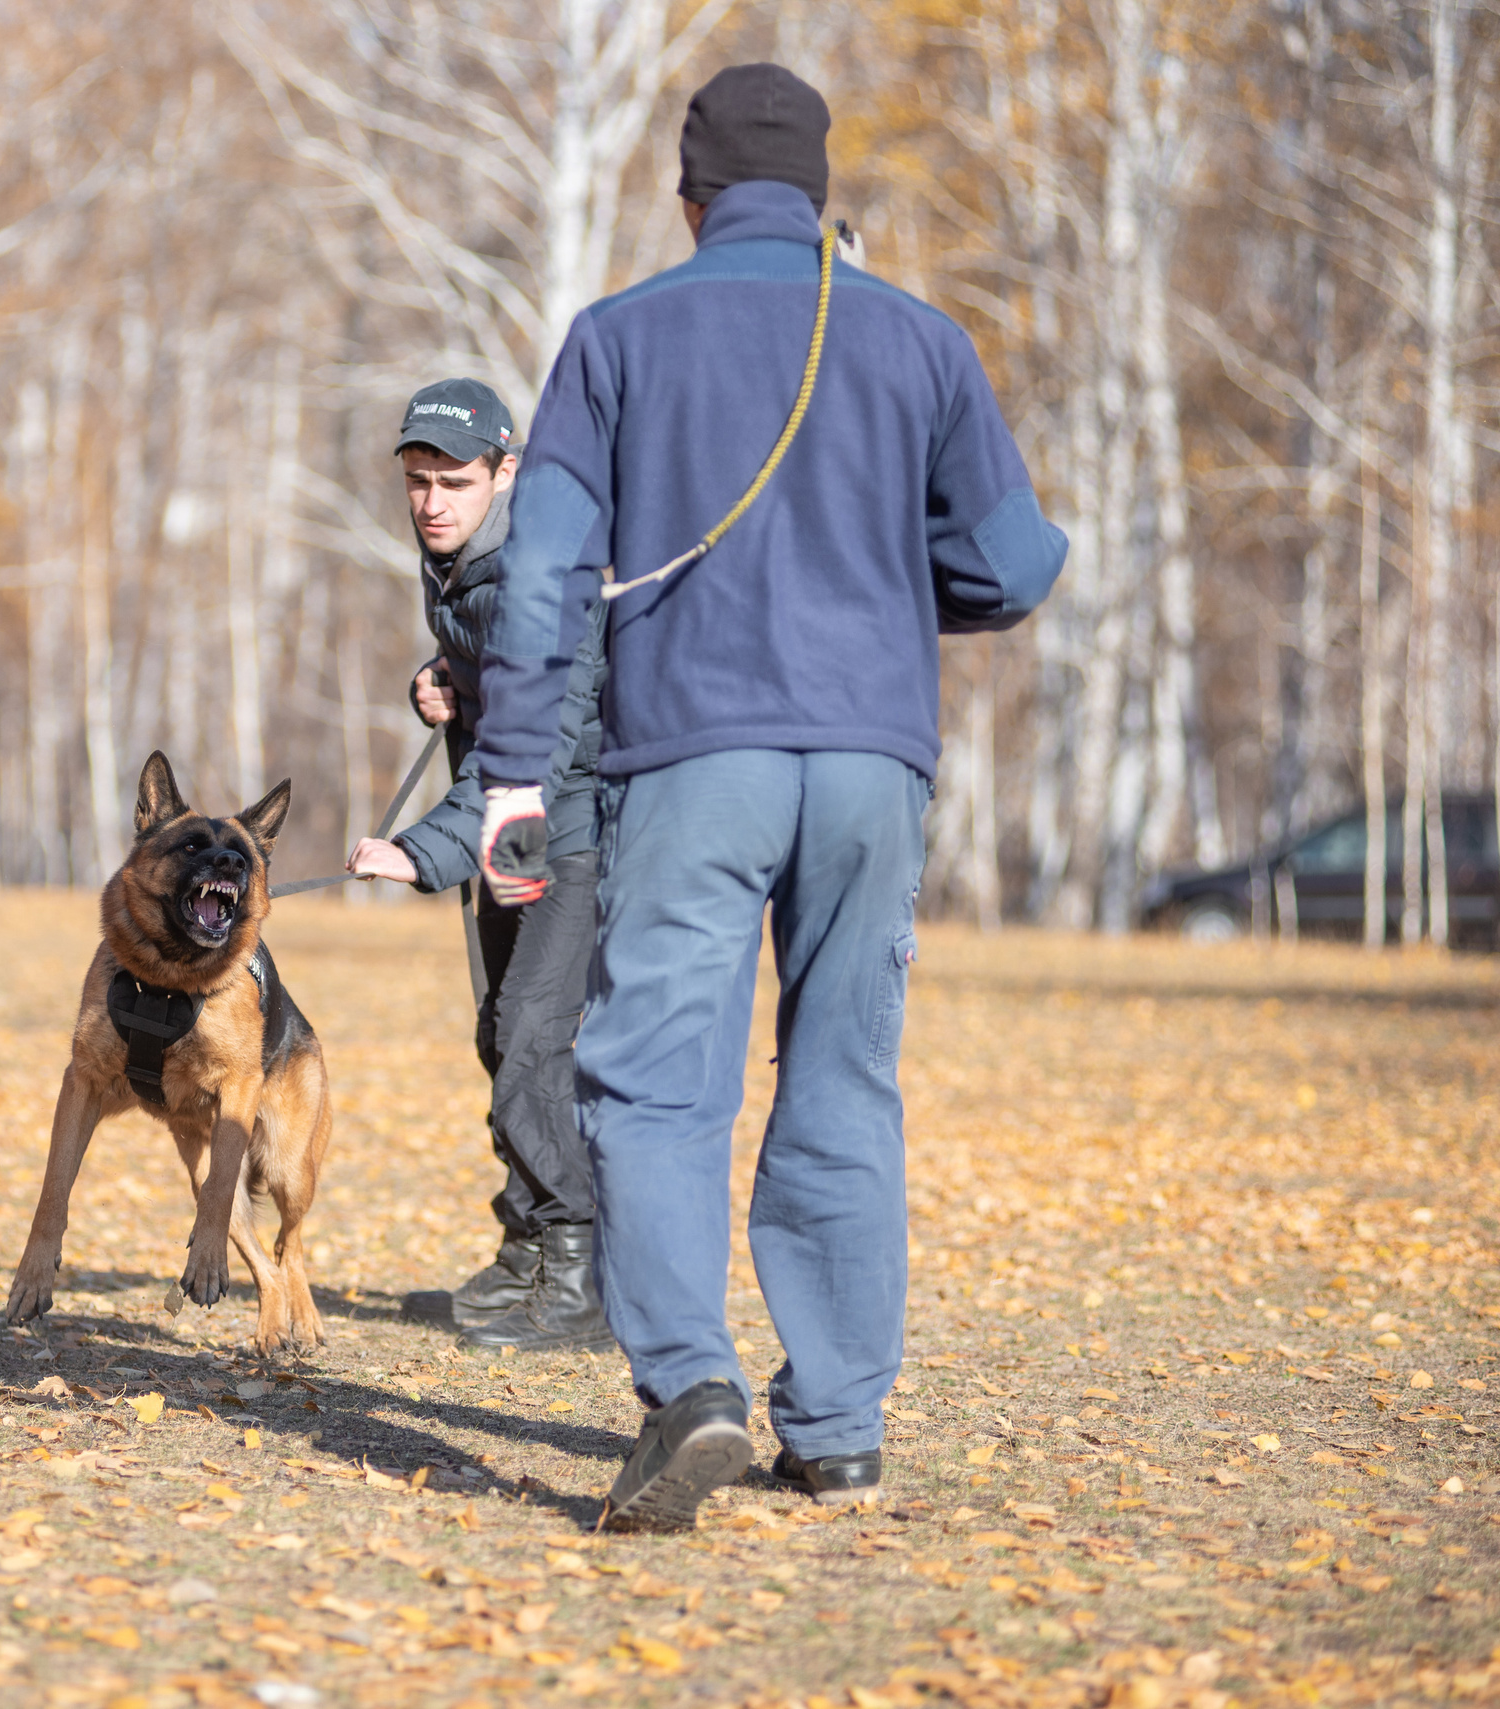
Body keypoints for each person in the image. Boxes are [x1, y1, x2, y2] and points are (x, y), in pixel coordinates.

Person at [468, 65, 1067, 1530]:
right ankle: (842, 1428)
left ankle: (692, 1386)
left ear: (690, 200)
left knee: (655, 1080)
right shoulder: (921, 340)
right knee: (845, 1076)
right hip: (872, 764)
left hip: (693, 761)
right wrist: (889, 581)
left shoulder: (617, 337)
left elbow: (541, 574)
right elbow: (1014, 565)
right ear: (818, 196)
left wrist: (508, 772)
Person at [343, 378, 613, 1353]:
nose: (431, 502)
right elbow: (490, 677)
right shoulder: (460, 561)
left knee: (532, 1042)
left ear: (505, 473)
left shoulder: (541, 571)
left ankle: (579, 1283)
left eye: (454, 481)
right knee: (501, 1036)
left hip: (571, 829)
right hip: (517, 828)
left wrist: (420, 851)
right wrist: (442, 679)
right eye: (417, 480)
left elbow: (536, 747)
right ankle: (526, 1251)